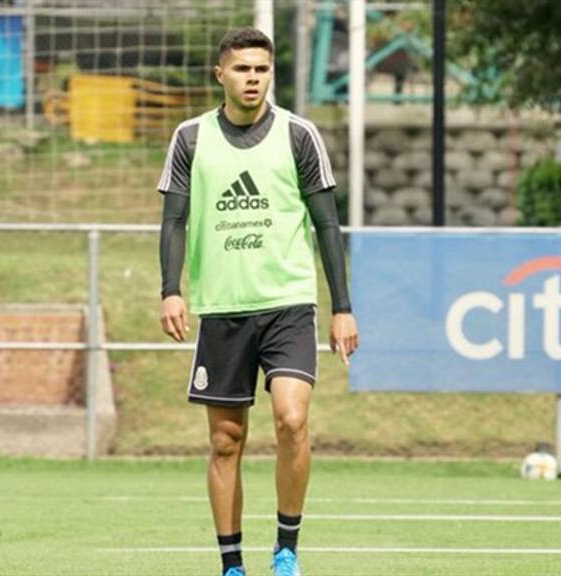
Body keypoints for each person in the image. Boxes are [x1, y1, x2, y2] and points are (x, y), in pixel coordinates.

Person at [157, 27, 358, 576]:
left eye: (261, 70)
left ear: (271, 74)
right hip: (223, 309)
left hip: (288, 304)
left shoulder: (298, 135)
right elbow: (174, 219)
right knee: (226, 440)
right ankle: (231, 565)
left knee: (291, 419)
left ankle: (286, 549)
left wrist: (342, 305)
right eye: (242, 69)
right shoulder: (191, 138)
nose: (253, 78)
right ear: (220, 74)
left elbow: (327, 224)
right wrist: (170, 289)